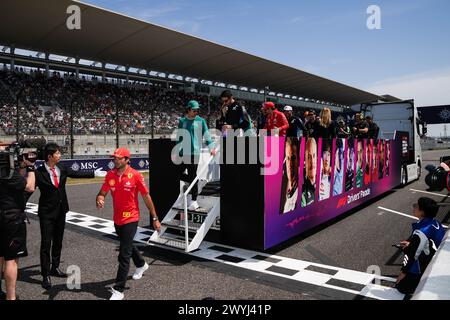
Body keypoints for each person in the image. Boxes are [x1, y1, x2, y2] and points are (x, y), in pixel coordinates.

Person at [96, 147, 161, 300]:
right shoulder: (110, 175)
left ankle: (119, 290)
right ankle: (141, 264)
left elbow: (146, 197)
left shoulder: (136, 175)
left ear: (126, 160)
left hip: (131, 218)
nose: (115, 160)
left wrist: (155, 218)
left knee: (123, 254)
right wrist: (99, 199)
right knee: (128, 244)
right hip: (117, 219)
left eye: (119, 158)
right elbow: (102, 192)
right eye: (115, 158)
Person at [35, 143, 95, 290]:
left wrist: (95, 173)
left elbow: (77, 173)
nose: (60, 155)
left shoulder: (61, 168)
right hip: (46, 212)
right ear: (49, 156)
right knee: (46, 243)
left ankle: (55, 267)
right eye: (57, 153)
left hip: (61, 210)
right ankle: (45, 275)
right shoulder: (39, 172)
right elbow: (29, 188)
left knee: (58, 241)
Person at [0, 142, 35, 300]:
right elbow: (29, 187)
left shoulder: (8, 174)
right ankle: (11, 297)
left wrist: (21, 166)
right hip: (11, 219)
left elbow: (16, 184)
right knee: (11, 260)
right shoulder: (7, 173)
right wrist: (31, 167)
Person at [396, 197, 446, 295]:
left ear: (422, 212)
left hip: (428, 266)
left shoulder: (421, 231)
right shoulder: (435, 223)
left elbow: (412, 254)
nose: (414, 207)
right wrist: (412, 243)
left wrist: (403, 273)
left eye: (416, 206)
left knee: (401, 287)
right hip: (437, 261)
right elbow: (427, 242)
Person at [176, 100, 216, 210]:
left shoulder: (201, 121)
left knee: (192, 174)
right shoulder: (182, 121)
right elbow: (179, 137)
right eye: (194, 110)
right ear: (188, 110)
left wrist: (211, 148)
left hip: (194, 153)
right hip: (183, 152)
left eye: (197, 110)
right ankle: (196, 182)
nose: (196, 112)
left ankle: (194, 201)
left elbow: (207, 134)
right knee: (177, 174)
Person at [281, 137, 300, 213]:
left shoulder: (301, 192)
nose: (290, 164)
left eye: (293, 158)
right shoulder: (281, 186)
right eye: (288, 158)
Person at [301, 138, 317, 207]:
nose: (312, 161)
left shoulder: (325, 179)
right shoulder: (302, 191)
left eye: (314, 156)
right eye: (308, 157)